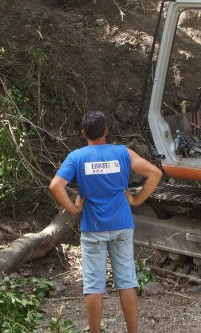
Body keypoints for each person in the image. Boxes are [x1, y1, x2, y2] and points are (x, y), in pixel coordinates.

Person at [49, 111, 163, 333]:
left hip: (93, 228)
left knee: (94, 286)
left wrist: (74, 209)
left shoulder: (77, 157)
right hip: (122, 225)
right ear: (106, 131)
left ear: (83, 133)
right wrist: (137, 200)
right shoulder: (122, 153)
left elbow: (55, 186)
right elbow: (155, 173)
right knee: (127, 282)